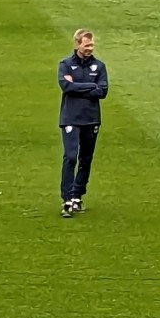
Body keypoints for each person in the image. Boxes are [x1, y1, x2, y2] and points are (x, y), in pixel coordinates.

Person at [58, 29, 108, 218]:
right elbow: (66, 86)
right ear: (77, 44)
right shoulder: (65, 65)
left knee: (86, 159)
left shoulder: (99, 66)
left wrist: (78, 86)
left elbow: (103, 91)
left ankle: (78, 195)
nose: (90, 48)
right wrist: (90, 85)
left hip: (91, 118)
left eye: (92, 45)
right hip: (70, 118)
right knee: (71, 157)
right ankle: (67, 198)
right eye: (86, 45)